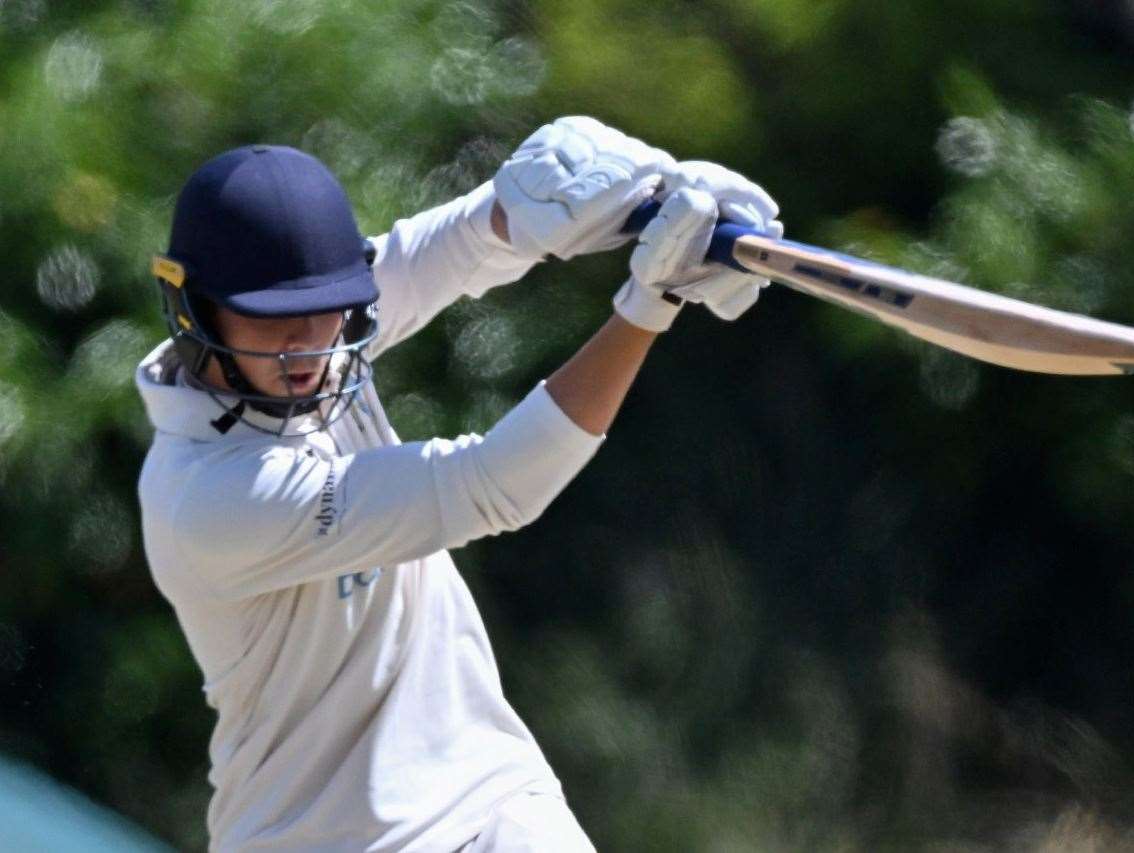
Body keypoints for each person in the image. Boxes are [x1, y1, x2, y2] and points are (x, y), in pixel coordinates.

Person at [135, 116, 782, 852]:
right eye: (276, 320)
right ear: (196, 308)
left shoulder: (308, 342)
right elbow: (491, 484)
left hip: (487, 791)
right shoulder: (209, 497)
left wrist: (632, 198)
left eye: (325, 309)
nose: (309, 344)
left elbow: (462, 242)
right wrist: (647, 303)